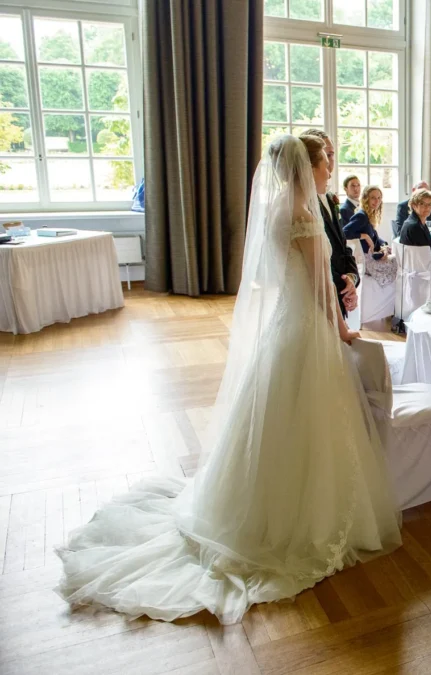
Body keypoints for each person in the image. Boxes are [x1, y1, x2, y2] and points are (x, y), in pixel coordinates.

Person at [54, 134, 402, 625]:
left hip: (288, 325)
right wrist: (344, 328)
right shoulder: (303, 217)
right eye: (325, 161)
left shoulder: (284, 211)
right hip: (307, 330)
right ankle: (299, 521)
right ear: (307, 167)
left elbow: (311, 279)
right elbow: (318, 287)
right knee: (311, 422)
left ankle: (256, 506)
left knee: (280, 420)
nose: (330, 168)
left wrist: (338, 289)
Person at [300, 130, 358, 318]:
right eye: (327, 155)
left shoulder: (330, 196)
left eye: (332, 154)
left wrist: (352, 277)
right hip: (318, 299)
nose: (330, 161)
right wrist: (342, 287)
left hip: (338, 292)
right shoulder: (302, 205)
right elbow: (317, 257)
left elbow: (342, 245)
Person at [343, 184, 397, 287]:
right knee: (398, 262)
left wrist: (384, 246)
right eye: (373, 198)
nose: (376, 201)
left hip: (371, 256)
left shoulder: (369, 215)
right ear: (366, 198)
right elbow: (344, 232)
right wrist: (364, 236)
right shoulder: (361, 216)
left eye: (379, 198)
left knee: (395, 257)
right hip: (367, 261)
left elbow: (376, 237)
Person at [399, 188, 431, 268]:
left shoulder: (418, 222)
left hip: (421, 266)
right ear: (414, 205)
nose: (427, 207)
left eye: (429, 204)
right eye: (422, 204)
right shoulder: (414, 226)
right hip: (421, 270)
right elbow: (425, 256)